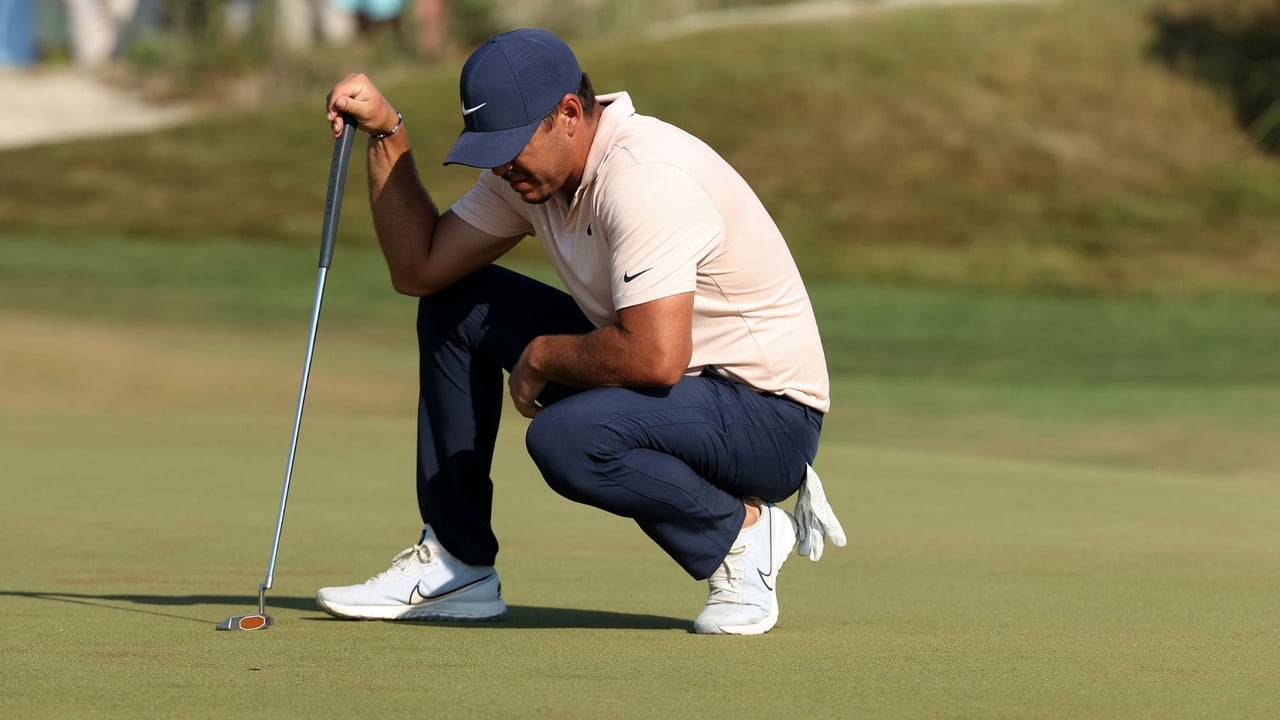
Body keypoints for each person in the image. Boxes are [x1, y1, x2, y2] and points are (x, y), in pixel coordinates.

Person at [316, 28, 845, 635]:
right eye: (489, 149)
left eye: (510, 145)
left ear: (569, 113)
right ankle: (456, 563)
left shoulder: (645, 176)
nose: (501, 166)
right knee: (452, 302)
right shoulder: (527, 177)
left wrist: (542, 356)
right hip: (681, 391)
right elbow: (420, 269)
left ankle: (743, 535)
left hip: (768, 419)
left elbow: (655, 356)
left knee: (568, 439)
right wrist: (388, 133)